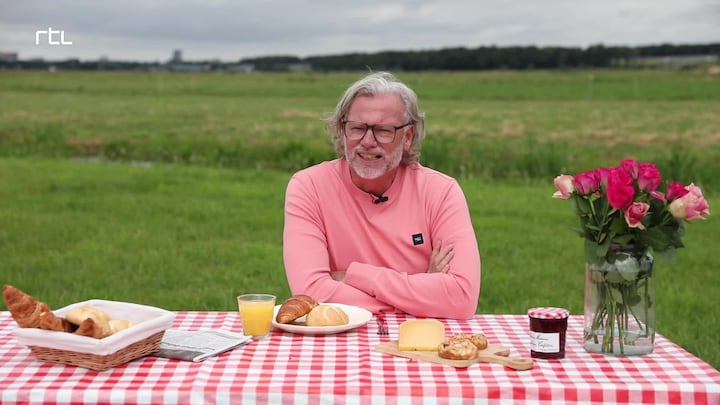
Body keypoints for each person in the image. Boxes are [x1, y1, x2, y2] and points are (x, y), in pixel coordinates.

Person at [282, 71, 481, 319]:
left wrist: (355, 275)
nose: (367, 141)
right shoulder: (308, 187)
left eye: (383, 131)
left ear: (407, 137)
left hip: (418, 343)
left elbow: (461, 298)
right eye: (357, 128)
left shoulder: (440, 191)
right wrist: (421, 293)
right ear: (343, 131)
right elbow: (309, 293)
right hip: (339, 342)